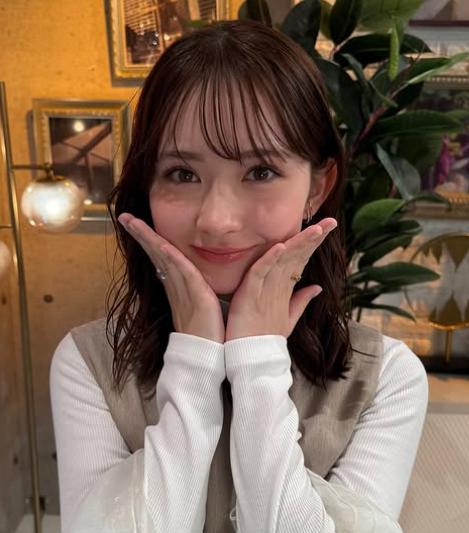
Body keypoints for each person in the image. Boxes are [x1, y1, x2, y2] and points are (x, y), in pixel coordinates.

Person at [49, 19, 428, 533]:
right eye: (182, 173)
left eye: (260, 172)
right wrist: (196, 358)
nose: (217, 220)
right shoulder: (89, 363)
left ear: (317, 188)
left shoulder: (386, 379)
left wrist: (256, 362)